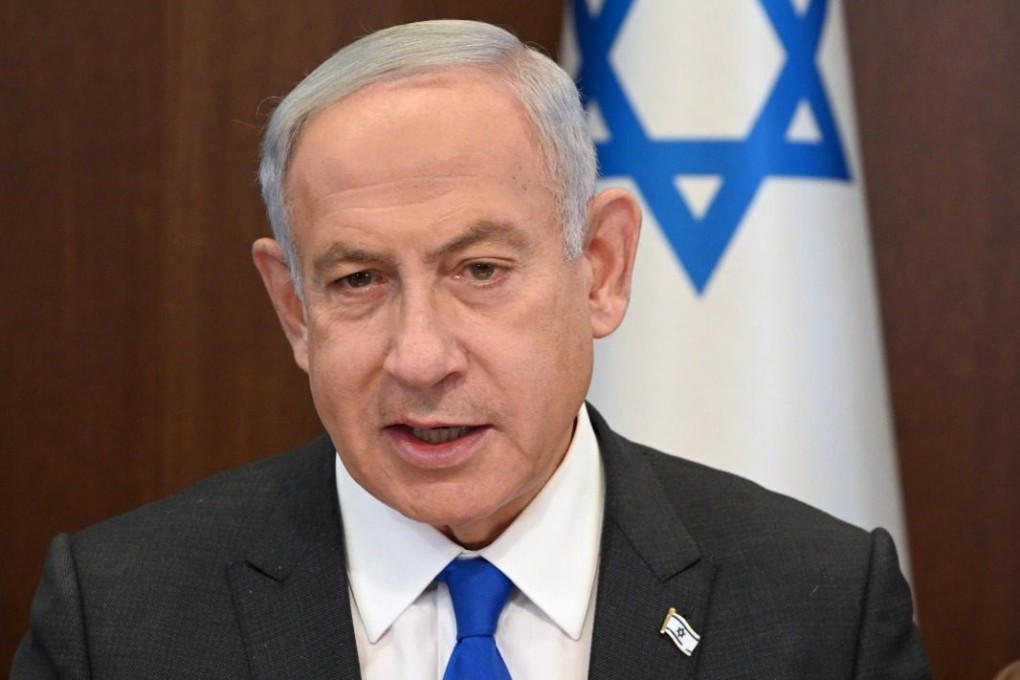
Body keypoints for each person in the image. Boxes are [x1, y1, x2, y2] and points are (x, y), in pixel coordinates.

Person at [12, 19, 931, 680]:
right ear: (295, 310)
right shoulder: (117, 619)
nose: (419, 358)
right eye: (358, 281)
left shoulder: (822, 608)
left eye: (481, 269)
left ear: (600, 268)